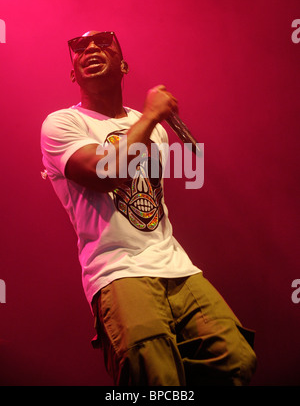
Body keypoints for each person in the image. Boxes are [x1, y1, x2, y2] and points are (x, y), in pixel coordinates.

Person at [40, 30, 257, 386]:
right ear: (73, 74)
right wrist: (152, 114)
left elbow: (150, 195)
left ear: (123, 65)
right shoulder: (63, 123)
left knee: (235, 359)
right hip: (118, 269)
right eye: (79, 48)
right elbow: (105, 172)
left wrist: (149, 118)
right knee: (155, 375)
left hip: (177, 266)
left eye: (103, 43)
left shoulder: (152, 128)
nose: (91, 48)